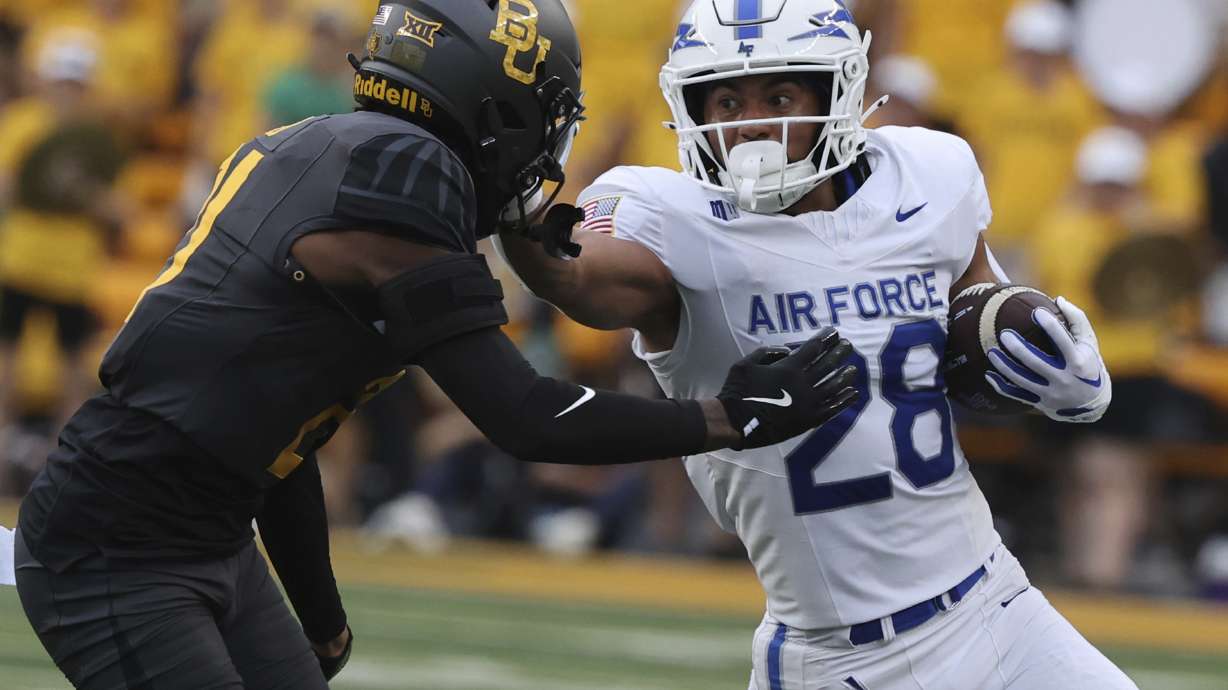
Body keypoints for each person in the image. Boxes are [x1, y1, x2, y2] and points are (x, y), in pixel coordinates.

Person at [8, 2, 861, 689]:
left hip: (201, 527)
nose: (546, 139)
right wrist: (729, 416)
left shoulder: (320, 147)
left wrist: (319, 610)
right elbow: (529, 417)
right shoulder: (404, 177)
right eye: (543, 111)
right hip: (117, 546)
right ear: (492, 104)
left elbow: (275, 434)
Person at [496, 1, 1135, 688]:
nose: (752, 122)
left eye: (779, 94)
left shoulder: (927, 173)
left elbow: (982, 309)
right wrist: (516, 203)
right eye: (727, 99)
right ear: (692, 109)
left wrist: (1058, 370)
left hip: (995, 605)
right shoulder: (670, 217)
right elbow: (579, 276)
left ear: (835, 89)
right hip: (837, 658)